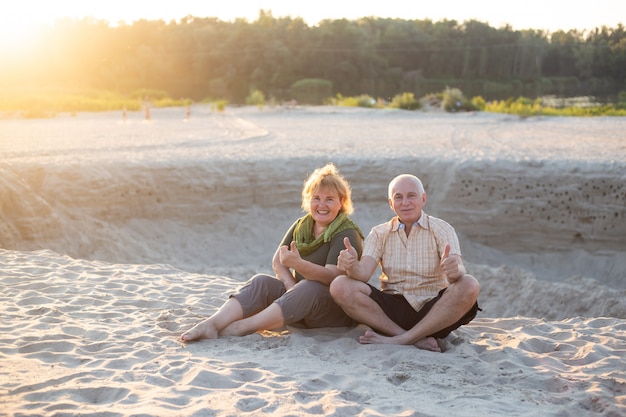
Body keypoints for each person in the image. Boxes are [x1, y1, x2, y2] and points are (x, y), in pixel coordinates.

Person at [181, 163, 363, 342]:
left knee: (309, 286)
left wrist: (299, 266)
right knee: (261, 281)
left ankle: (243, 327)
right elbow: (278, 261)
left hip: (331, 312)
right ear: (308, 200)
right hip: (298, 302)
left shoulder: (346, 233)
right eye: (316, 198)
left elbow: (331, 277)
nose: (321, 204)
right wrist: (292, 288)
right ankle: (212, 324)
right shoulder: (302, 225)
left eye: (329, 199)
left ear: (342, 202)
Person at [330, 174, 480, 352]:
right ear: (390, 203)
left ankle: (403, 339)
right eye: (398, 197)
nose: (405, 202)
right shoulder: (379, 233)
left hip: (434, 311)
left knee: (469, 283)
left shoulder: (442, 229)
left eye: (411, 195)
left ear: (423, 199)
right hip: (392, 312)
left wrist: (455, 270)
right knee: (340, 285)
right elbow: (362, 274)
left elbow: (457, 268)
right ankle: (408, 337)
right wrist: (352, 265)